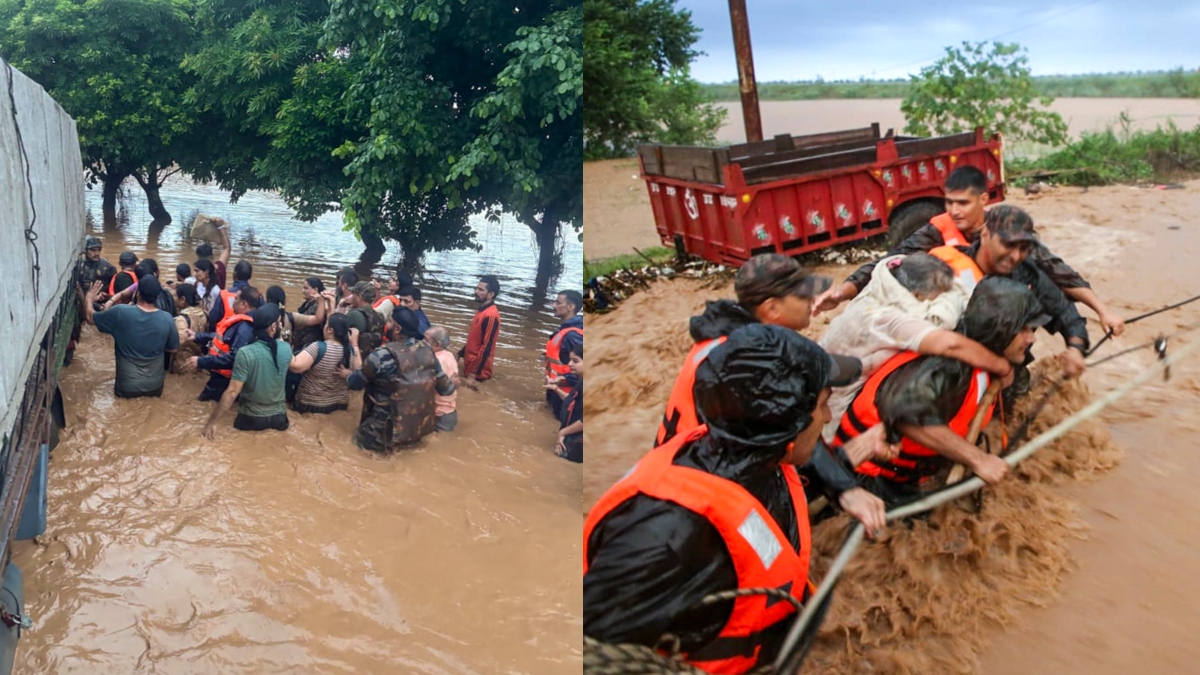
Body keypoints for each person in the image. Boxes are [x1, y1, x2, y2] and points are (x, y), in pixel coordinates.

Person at [584, 325, 886, 674]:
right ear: (788, 424)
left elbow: (762, 520)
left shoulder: (759, 456)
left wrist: (849, 470)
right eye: (822, 405)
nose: (828, 417)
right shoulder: (668, 537)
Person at [816, 166, 1125, 337]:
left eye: (962, 203)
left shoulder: (1009, 234)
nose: (954, 210)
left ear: (984, 199)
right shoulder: (937, 230)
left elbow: (1059, 272)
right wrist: (843, 292)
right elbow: (889, 261)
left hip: (1000, 320)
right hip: (952, 320)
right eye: (949, 202)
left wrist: (1102, 311)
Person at [833, 277, 1044, 506]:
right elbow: (906, 415)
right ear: (1000, 329)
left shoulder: (992, 360)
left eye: (1031, 329)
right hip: (866, 476)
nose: (1031, 337)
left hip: (905, 473)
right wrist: (978, 459)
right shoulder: (949, 366)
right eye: (1023, 330)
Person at [818, 252, 1013, 449]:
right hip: (828, 402)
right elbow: (949, 344)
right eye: (936, 297)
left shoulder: (888, 278)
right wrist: (1002, 366)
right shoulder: (886, 318)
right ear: (917, 296)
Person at [656, 253, 830, 447]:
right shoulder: (745, 362)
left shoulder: (731, 340)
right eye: (803, 295)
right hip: (693, 463)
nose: (812, 300)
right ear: (771, 308)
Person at [346, 306, 455, 451]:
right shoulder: (428, 352)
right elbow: (446, 389)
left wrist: (353, 350)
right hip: (414, 432)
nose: (387, 324)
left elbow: (354, 384)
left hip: (379, 435)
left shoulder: (381, 355)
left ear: (397, 329)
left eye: (390, 321)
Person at [202, 303, 292, 438]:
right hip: (279, 419)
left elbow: (232, 392)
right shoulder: (286, 349)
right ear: (274, 327)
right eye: (280, 323)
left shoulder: (245, 353)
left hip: (251, 419)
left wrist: (211, 422)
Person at [83, 276, 179, 398]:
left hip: (127, 386)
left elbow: (90, 318)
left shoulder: (120, 312)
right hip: (155, 387)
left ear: (137, 293)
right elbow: (173, 349)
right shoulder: (167, 319)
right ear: (158, 295)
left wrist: (88, 298)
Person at [186, 286, 261, 402]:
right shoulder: (242, 323)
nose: (232, 302)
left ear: (244, 304)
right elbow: (224, 338)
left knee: (203, 404)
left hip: (224, 379)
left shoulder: (245, 328)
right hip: (221, 375)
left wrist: (201, 361)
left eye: (235, 299)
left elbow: (234, 358)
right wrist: (197, 336)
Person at [289, 313, 360, 414]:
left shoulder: (318, 347)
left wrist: (285, 345)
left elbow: (295, 367)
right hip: (339, 404)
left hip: (311, 404)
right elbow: (359, 374)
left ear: (330, 330)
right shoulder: (351, 351)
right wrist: (354, 344)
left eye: (326, 323)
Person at [544, 289, 584, 417]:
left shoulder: (572, 335)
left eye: (558, 302)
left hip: (565, 390)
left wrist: (566, 379)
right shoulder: (566, 329)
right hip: (556, 386)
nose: (553, 306)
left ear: (571, 307)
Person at [458, 275, 501, 382]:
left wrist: (473, 374)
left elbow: (486, 346)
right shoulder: (482, 310)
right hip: (470, 367)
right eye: (476, 288)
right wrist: (460, 354)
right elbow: (475, 339)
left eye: (480, 290)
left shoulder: (491, 316)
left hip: (479, 374)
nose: (476, 291)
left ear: (490, 294)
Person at [425, 326, 459, 432]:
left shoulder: (435, 361)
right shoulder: (449, 356)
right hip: (449, 413)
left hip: (439, 415)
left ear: (436, 344)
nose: (421, 342)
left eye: (425, 340)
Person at [555, 341, 582, 463]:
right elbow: (571, 402)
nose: (569, 364)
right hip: (570, 437)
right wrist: (555, 389)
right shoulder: (581, 381)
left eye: (575, 361)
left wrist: (563, 432)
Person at [172, 283, 208, 374]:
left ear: (183, 299)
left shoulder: (181, 319)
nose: (174, 298)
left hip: (183, 362)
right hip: (200, 360)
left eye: (176, 295)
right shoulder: (205, 313)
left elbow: (177, 342)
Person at [346, 281, 386, 354]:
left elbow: (336, 333)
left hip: (354, 357)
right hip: (371, 357)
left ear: (359, 297)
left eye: (353, 293)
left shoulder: (354, 314)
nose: (351, 296)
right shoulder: (380, 316)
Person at [292, 277, 330, 352]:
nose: (302, 291)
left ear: (315, 290)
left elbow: (302, 321)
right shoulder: (308, 303)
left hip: (309, 344)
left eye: (306, 288)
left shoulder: (318, 306)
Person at [194, 221, 231, 292]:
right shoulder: (219, 268)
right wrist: (220, 227)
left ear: (198, 258)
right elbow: (227, 248)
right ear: (211, 256)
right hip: (219, 302)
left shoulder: (198, 274)